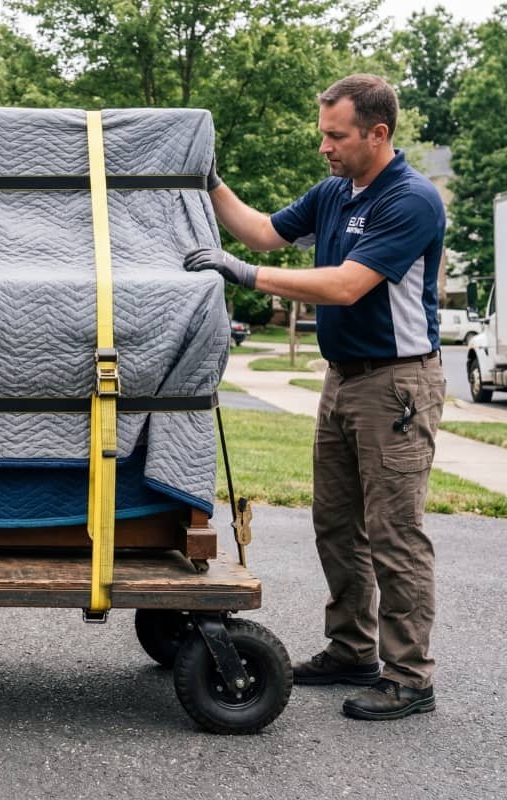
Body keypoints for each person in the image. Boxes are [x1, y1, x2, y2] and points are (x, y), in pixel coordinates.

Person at [185, 74, 446, 721]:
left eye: (336, 135)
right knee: (335, 524)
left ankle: (411, 676)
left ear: (377, 134)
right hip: (342, 380)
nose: (324, 146)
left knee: (395, 533)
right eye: (322, 132)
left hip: (398, 386)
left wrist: (242, 275)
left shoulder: (410, 200)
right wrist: (208, 178)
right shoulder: (334, 195)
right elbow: (264, 232)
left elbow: (347, 285)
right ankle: (352, 650)